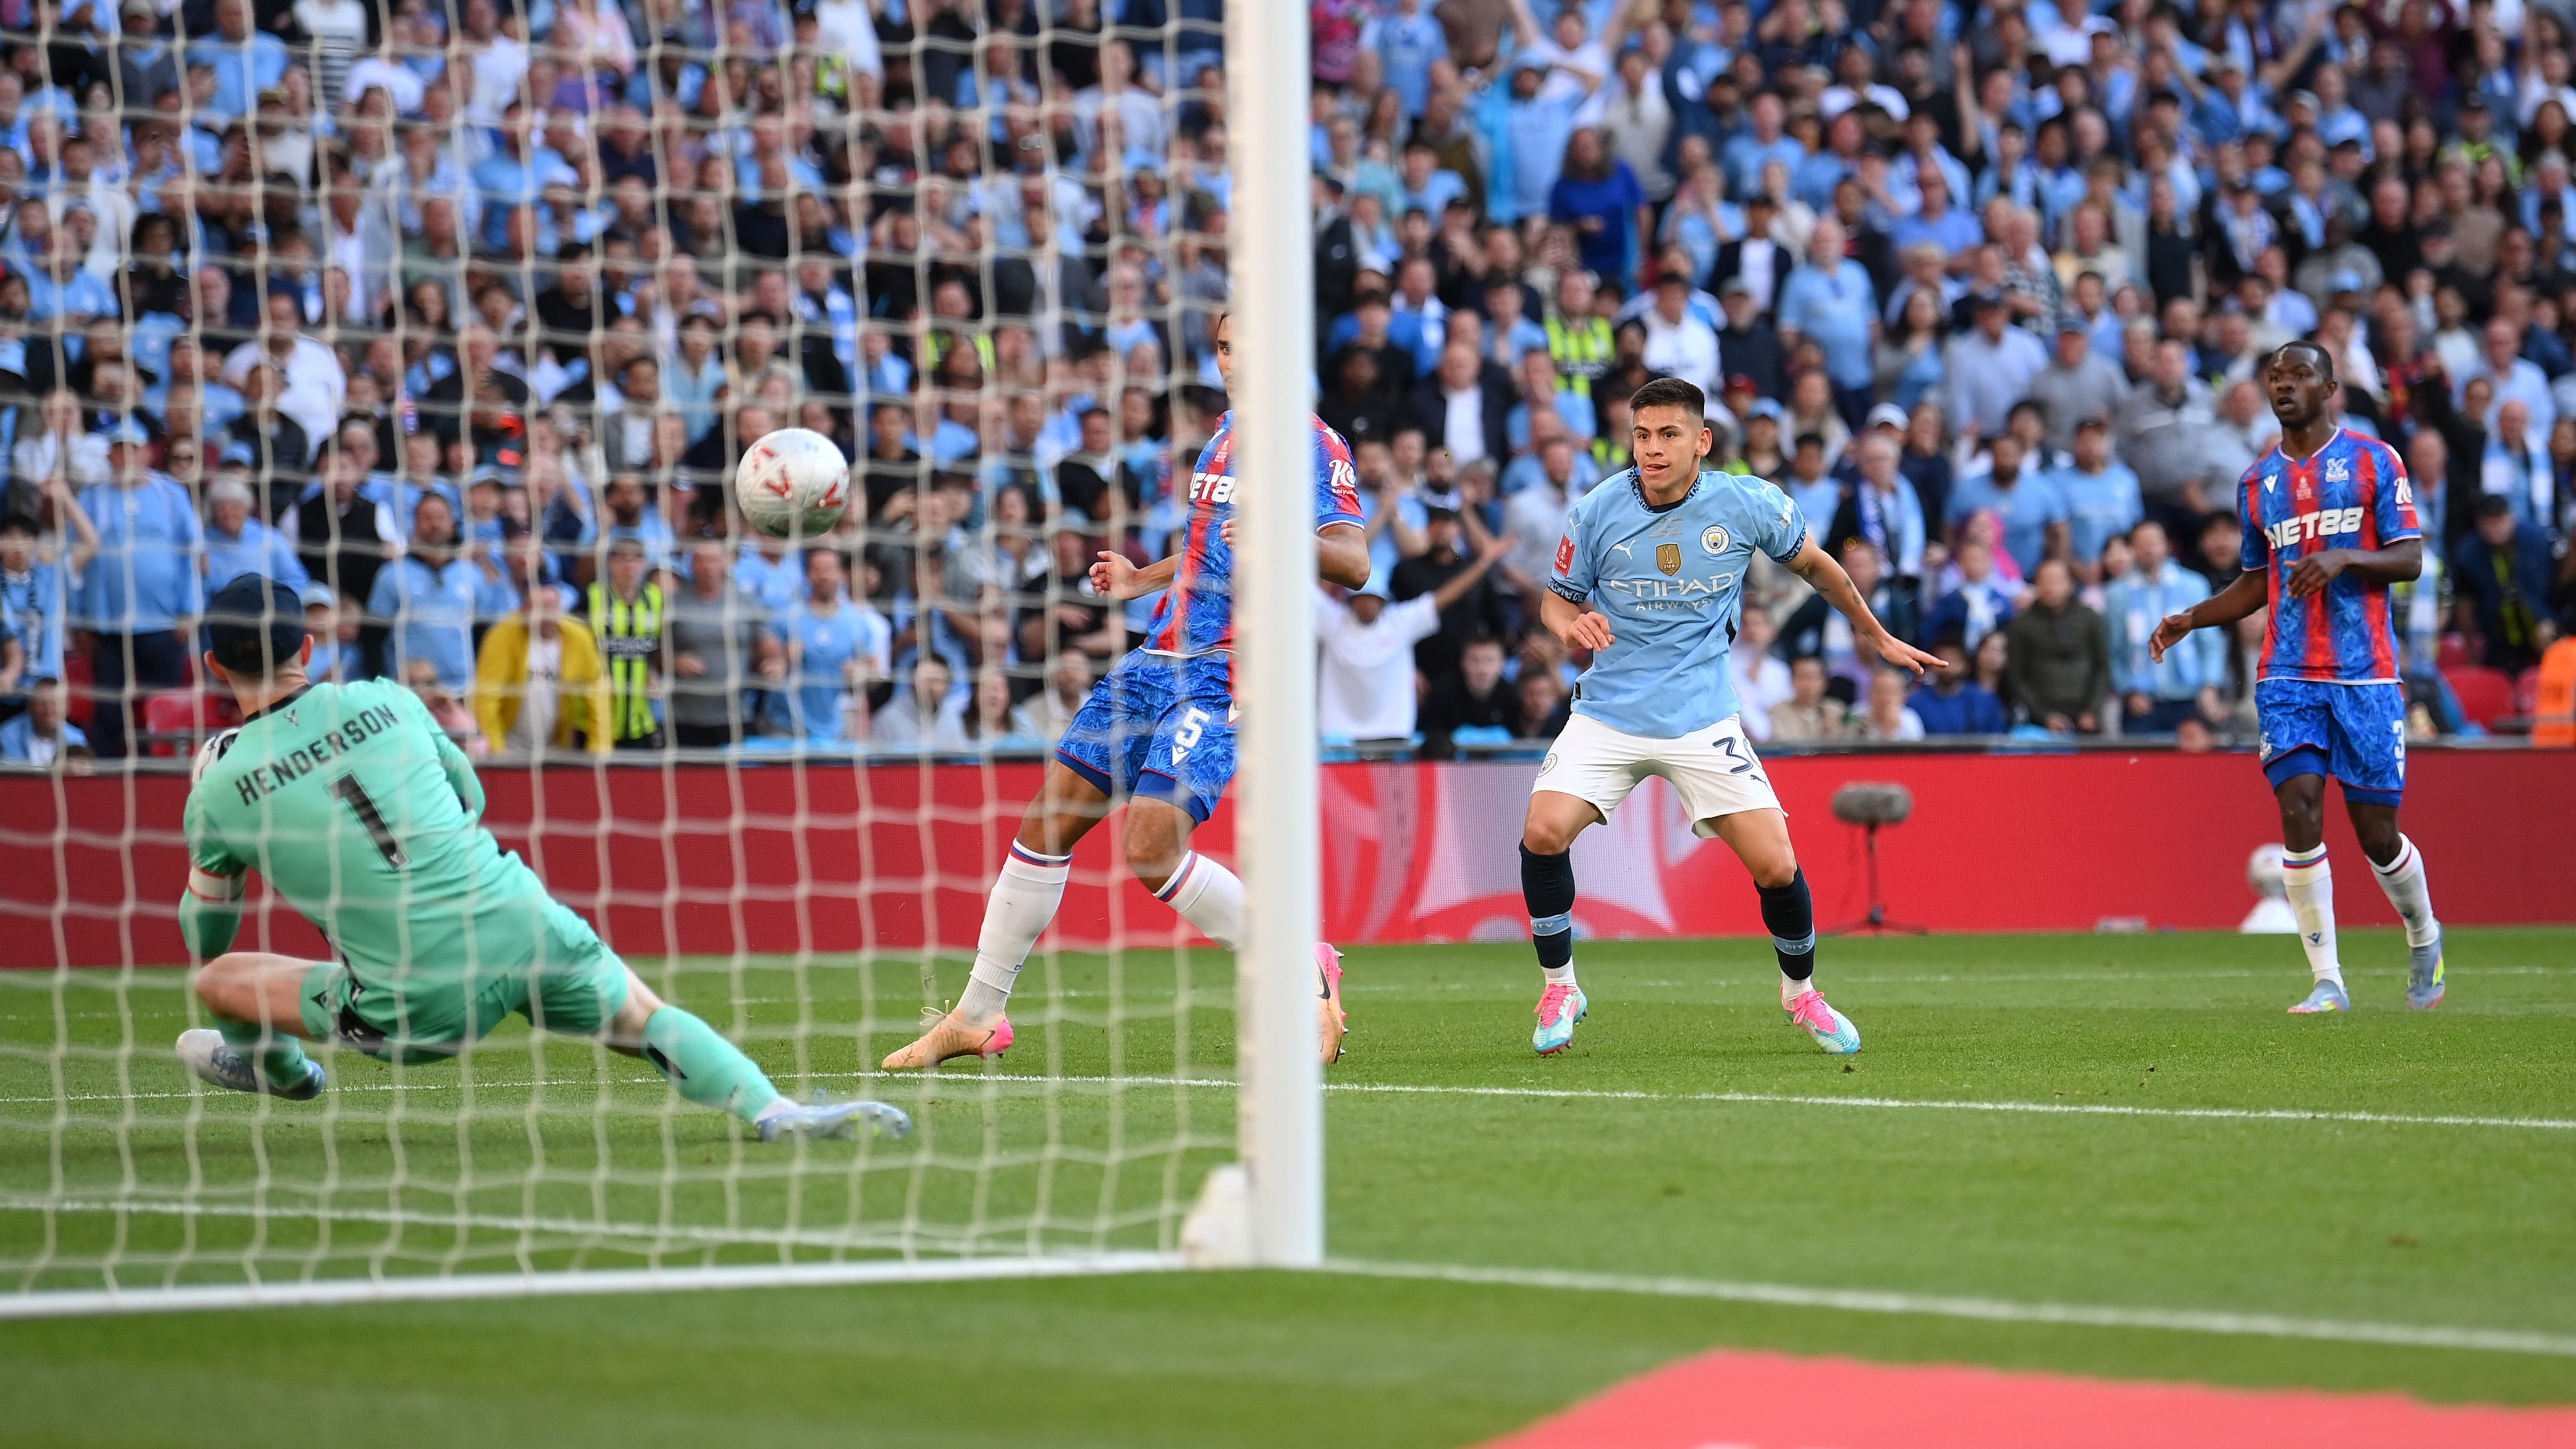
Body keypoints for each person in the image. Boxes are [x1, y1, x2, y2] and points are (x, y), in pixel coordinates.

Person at [171, 575, 905, 1142]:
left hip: (416, 1004)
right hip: (518, 920)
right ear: (308, 649)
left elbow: (206, 937)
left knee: (220, 982)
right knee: (642, 1014)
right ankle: (772, 1108)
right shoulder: (387, 697)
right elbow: (470, 795)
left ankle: (286, 1073)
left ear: (213, 665)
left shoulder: (219, 789)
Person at [882, 313, 1370, 1073]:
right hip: (1153, 660)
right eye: (1225, 347)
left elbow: (1354, 562)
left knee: (1150, 848)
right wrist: (1143, 578)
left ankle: (1296, 967)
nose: (1235, 361)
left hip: (1228, 668)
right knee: (1045, 825)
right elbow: (1209, 548)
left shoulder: (1312, 443)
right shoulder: (1222, 439)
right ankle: (976, 1015)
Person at [1521, 377, 1938, 1057]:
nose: (1652, 449)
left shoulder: (1745, 502)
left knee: (1776, 863)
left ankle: (1801, 993)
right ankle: (1560, 986)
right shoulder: (1596, 509)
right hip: (1609, 712)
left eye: (1668, 434)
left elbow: (1819, 567)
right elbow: (1554, 601)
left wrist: (1877, 635)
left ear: (1701, 441)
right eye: (1641, 435)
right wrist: (1572, 623)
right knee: (1542, 832)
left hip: (1702, 718)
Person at [2150, 340, 2446, 1014]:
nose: (2284, 386)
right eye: (2275, 377)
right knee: (2298, 810)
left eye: (2300, 375)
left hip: (2364, 675)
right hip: (2286, 674)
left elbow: (2408, 558)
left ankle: (2423, 932)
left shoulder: (2374, 459)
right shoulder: (2257, 481)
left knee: (2377, 835)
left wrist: (2344, 557)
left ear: (2329, 387)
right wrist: (2192, 616)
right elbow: (2256, 581)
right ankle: (2327, 980)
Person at [1317, 535, 1511, 741]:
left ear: (1382, 600)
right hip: (1340, 737)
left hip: (1393, 734)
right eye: (1361, 599)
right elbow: (1308, 592)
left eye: (1372, 598)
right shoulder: (1334, 620)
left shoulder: (1399, 621)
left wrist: (1484, 562)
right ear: (1351, 600)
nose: (1366, 605)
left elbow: (1446, 596)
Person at [2104, 520, 2224, 732]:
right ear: (2132, 548)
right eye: (2141, 543)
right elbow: (2113, 650)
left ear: (2167, 545)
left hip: (2190, 698)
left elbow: (2210, 644)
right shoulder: (2117, 593)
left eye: (2153, 542)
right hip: (2140, 703)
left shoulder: (2193, 585)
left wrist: (2210, 686)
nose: (2148, 549)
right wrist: (2127, 690)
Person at [666, 538, 783, 748]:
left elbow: (768, 644)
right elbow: (656, 652)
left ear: (726, 562)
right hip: (684, 717)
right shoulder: (674, 603)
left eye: (713, 560)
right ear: (692, 564)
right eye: (701, 560)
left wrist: (775, 662)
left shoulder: (746, 602)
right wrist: (675, 661)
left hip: (736, 715)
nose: (707, 567)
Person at [473, 575, 609, 755]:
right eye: (537, 607)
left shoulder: (579, 638)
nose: (546, 616)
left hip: (557, 748)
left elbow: (598, 697)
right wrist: (496, 751)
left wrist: (599, 749)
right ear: (524, 610)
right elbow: (486, 699)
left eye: (551, 607)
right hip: (509, 745)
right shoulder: (502, 637)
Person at [2004, 559, 2109, 733]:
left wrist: (2092, 711)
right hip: (2041, 721)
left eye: (2056, 581)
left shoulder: (2090, 618)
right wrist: (2044, 716)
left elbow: (2102, 666)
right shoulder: (2021, 624)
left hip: (2086, 717)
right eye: (2044, 581)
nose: (2050, 587)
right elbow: (2017, 676)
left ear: (2070, 584)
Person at [585, 536, 666, 750]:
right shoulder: (593, 596)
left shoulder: (656, 599)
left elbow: (659, 646)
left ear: (645, 564)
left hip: (641, 718)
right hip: (596, 717)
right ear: (611, 564)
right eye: (622, 559)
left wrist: (653, 674)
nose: (629, 566)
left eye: (635, 559)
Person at [1907, 631, 2009, 735]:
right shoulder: (1915, 702)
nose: (1947, 668)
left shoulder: (1984, 700)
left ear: (1966, 666)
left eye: (1953, 661)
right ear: (1930, 664)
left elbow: (1998, 738)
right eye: (1941, 661)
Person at [0, 675, 85, 766]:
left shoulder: (78, 739)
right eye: (42, 703)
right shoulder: (7, 736)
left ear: (67, 707)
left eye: (55, 703)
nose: (49, 710)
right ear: (30, 705)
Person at [1847, 666, 1925, 741]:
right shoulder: (1857, 714)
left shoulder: (1910, 720)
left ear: (1902, 696)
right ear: (1869, 693)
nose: (1884, 698)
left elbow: (1917, 749)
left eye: (1890, 692)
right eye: (1879, 691)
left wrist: (1889, 730)